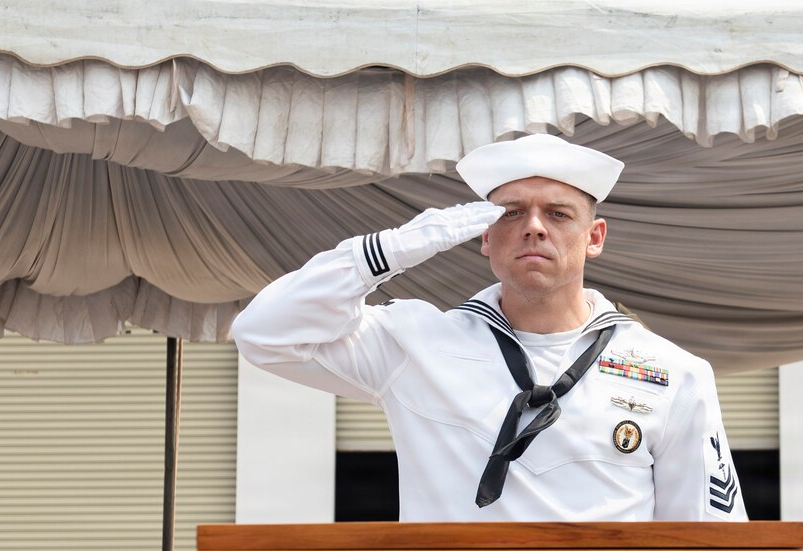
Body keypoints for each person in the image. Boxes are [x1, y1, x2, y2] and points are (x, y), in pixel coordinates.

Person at [232, 134, 747, 522]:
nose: (534, 226)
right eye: (511, 212)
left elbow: (712, 538)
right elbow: (263, 332)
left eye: (559, 214)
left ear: (595, 237)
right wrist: (390, 250)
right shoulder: (415, 343)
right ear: (483, 236)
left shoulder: (672, 372)